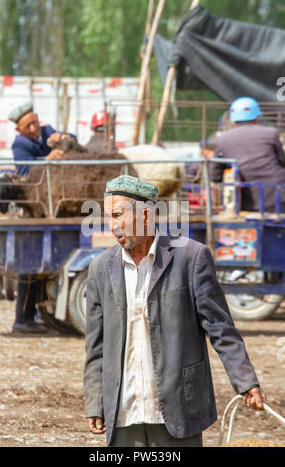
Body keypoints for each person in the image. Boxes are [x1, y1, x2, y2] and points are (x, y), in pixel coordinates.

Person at [84, 174, 266, 447]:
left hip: (178, 410)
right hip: (124, 413)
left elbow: (220, 328)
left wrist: (245, 381)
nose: (113, 226)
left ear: (146, 215)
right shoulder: (100, 268)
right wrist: (95, 402)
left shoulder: (191, 258)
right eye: (109, 217)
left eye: (118, 215)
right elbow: (96, 346)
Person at [8, 101, 73, 333]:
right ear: (19, 130)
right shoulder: (20, 144)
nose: (34, 128)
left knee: (38, 263)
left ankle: (33, 316)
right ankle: (22, 319)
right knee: (29, 261)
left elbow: (70, 139)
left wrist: (64, 138)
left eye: (35, 122)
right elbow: (24, 171)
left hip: (51, 204)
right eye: (28, 126)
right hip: (32, 208)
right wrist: (47, 160)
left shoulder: (46, 132)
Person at [210, 97, 285, 212]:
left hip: (244, 202)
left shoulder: (221, 139)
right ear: (256, 118)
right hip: (277, 197)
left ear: (232, 121)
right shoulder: (271, 133)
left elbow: (214, 175)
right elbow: (282, 161)